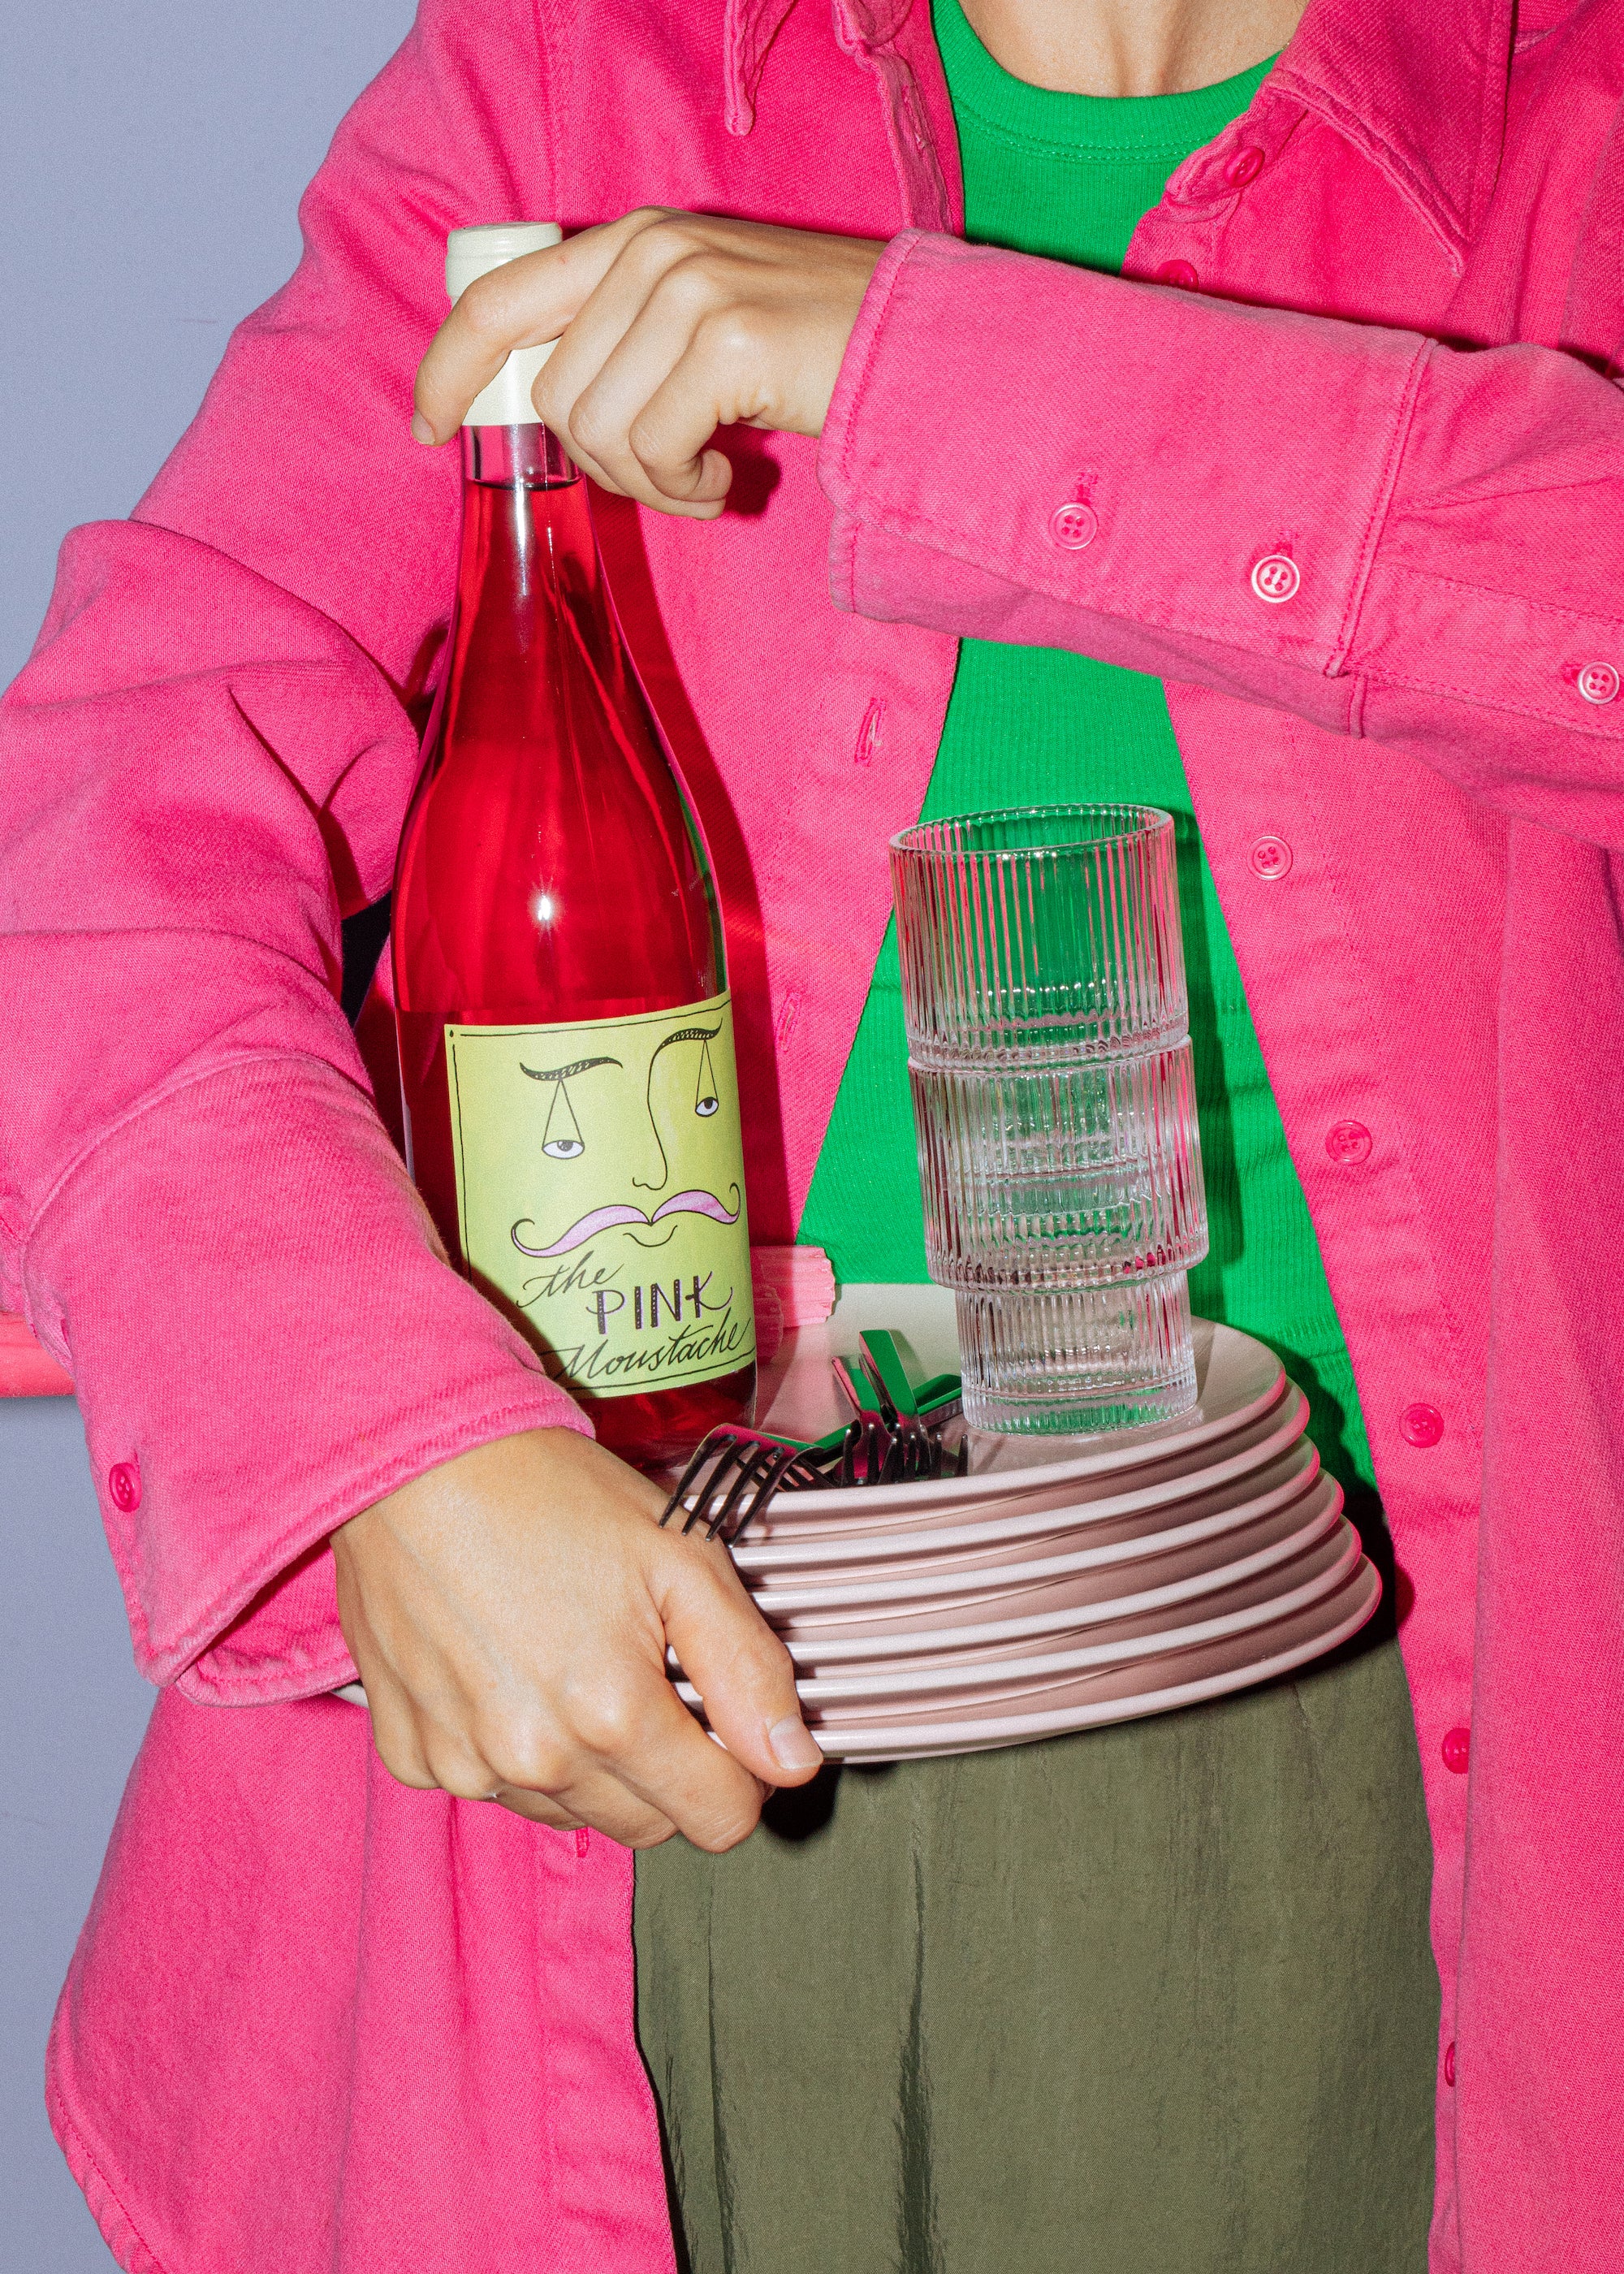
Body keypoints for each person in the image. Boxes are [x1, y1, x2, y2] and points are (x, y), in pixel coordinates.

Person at [3, 0, 1622, 2268]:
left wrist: (919, 366)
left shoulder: (1572, 129)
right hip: (577, 1798)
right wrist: (372, 1440)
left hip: (1354, 1822)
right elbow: (114, 806)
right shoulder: (574, 78)